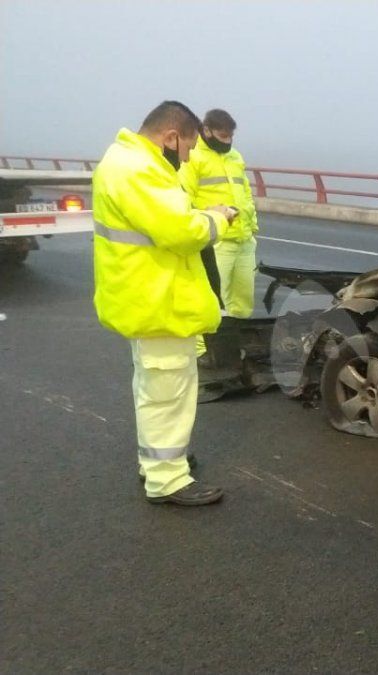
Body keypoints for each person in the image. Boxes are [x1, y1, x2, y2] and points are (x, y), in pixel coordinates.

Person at [92, 100, 237, 506]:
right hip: (157, 299)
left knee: (155, 388)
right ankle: (167, 479)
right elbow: (179, 232)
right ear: (172, 137)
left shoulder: (126, 161)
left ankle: (156, 462)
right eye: (188, 149)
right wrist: (218, 218)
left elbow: (161, 221)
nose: (187, 157)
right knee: (168, 393)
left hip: (144, 295)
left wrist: (195, 214)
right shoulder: (139, 169)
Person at [180, 108, 259, 319]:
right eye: (223, 136)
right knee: (214, 301)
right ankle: (208, 349)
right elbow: (184, 197)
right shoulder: (193, 155)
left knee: (244, 300)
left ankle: (237, 344)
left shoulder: (235, 156)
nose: (228, 141)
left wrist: (252, 227)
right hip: (217, 241)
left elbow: (246, 192)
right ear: (207, 131)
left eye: (231, 136)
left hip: (243, 240)